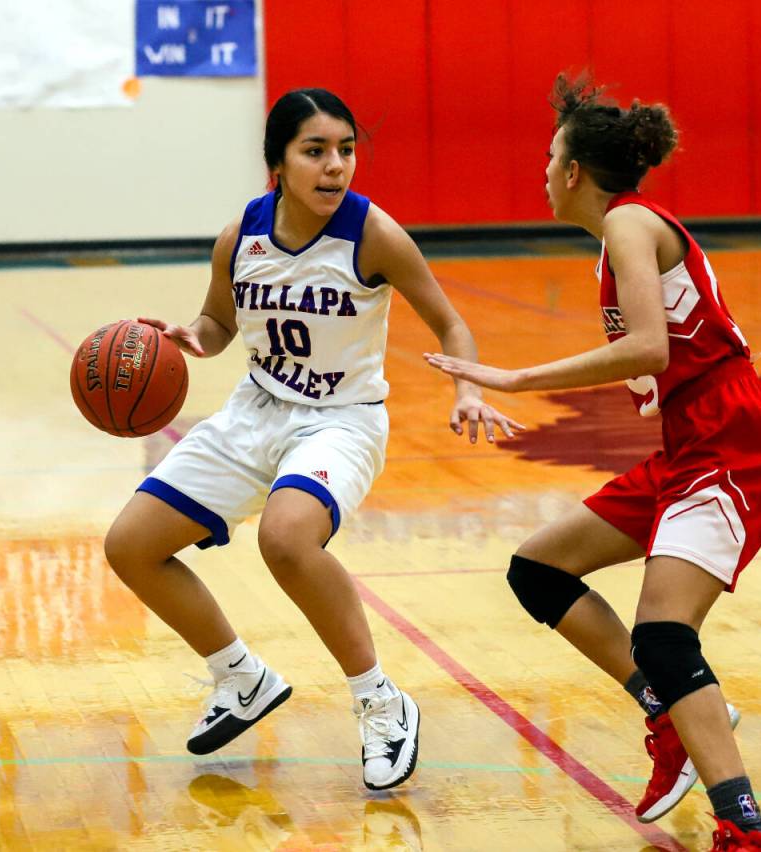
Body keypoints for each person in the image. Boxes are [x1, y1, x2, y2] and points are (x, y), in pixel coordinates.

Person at [104, 88, 523, 791]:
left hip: (341, 421)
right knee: (130, 546)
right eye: (316, 151)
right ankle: (241, 678)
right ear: (277, 163)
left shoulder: (373, 235)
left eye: (346, 150)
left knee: (287, 537)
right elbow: (216, 326)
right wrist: (187, 341)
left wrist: (469, 388)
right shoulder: (242, 235)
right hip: (255, 411)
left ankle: (381, 702)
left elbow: (452, 325)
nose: (336, 168)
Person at [425, 73, 761, 850]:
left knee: (664, 633)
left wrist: (514, 376)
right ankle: (665, 717)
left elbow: (652, 344)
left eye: (550, 154)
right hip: (692, 438)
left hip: (733, 445)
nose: (543, 167)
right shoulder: (622, 236)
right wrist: (660, 387)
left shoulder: (628, 222)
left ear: (574, 172)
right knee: (539, 569)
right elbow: (681, 339)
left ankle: (747, 828)